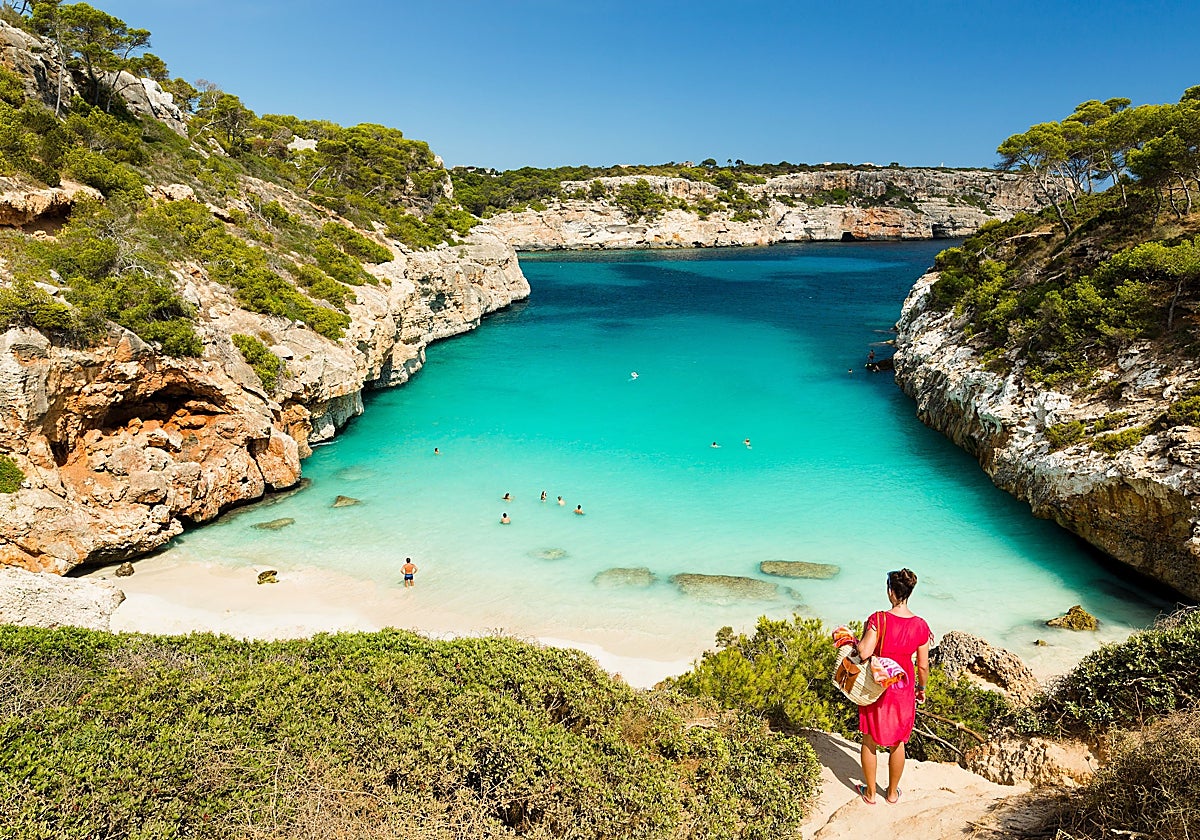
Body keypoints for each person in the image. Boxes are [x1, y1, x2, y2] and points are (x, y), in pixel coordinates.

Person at [854, 568, 931, 805]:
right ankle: (891, 793)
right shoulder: (921, 625)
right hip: (903, 687)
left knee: (869, 739)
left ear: (890, 592)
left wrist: (855, 643)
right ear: (909, 593)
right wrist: (921, 688)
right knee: (899, 742)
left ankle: (869, 794)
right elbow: (923, 666)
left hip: (877, 686)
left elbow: (865, 651)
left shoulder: (879, 619)